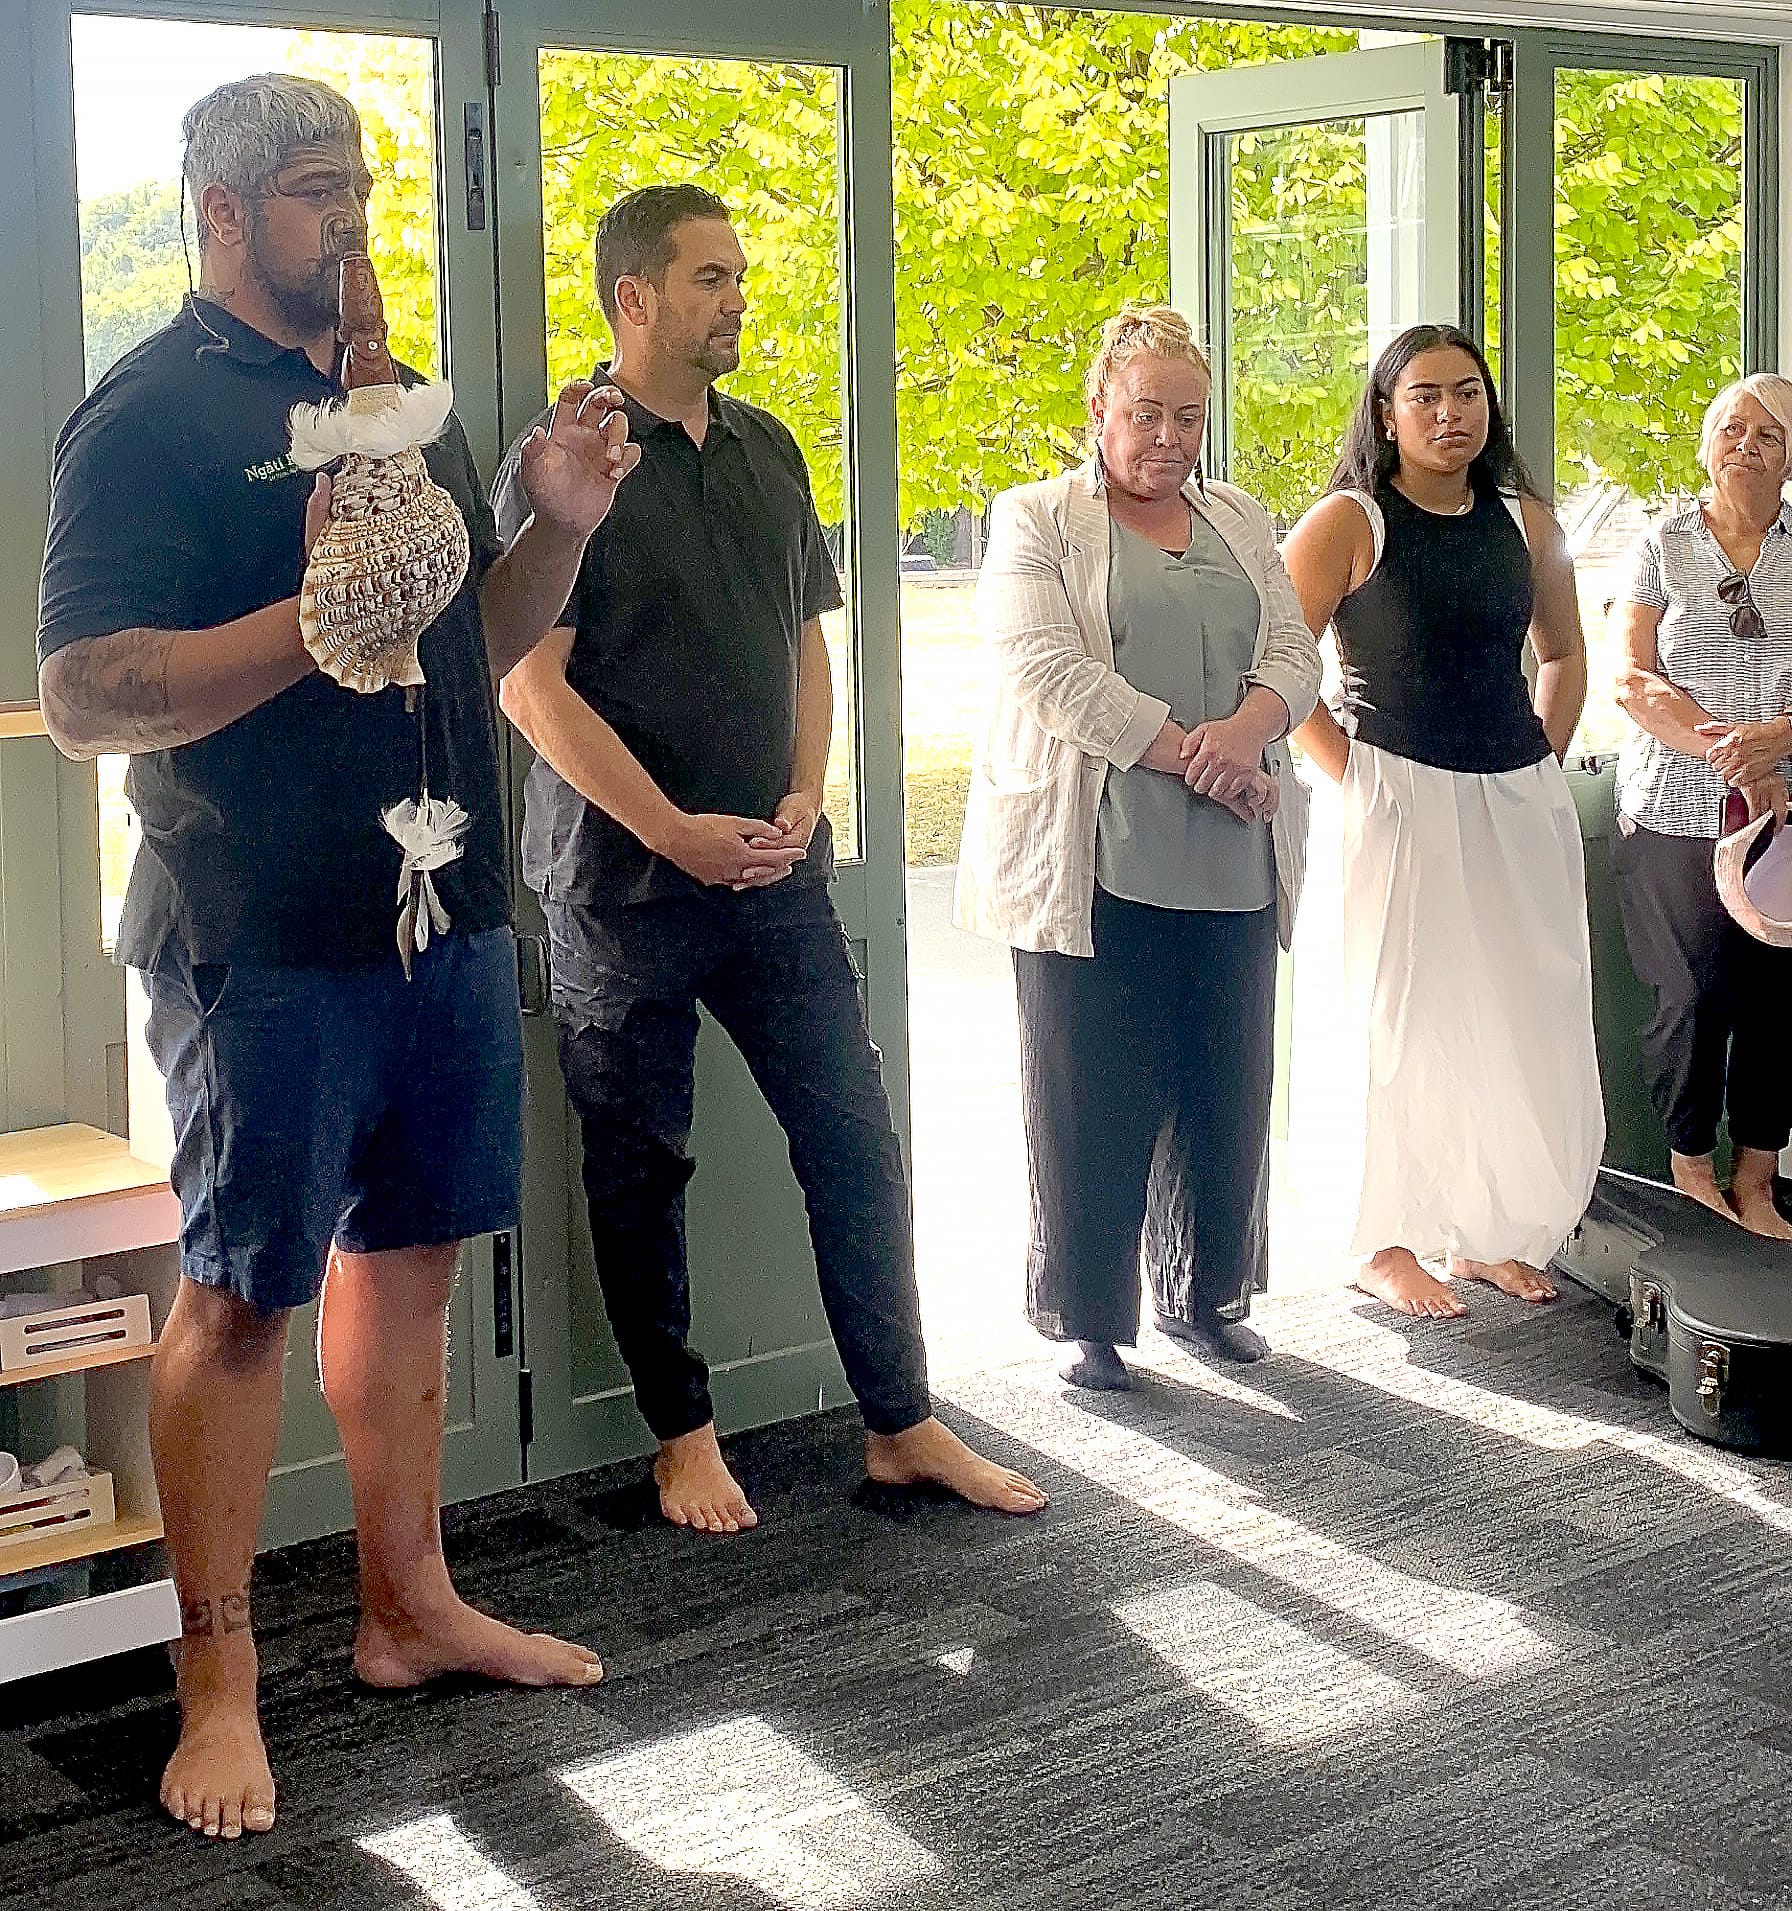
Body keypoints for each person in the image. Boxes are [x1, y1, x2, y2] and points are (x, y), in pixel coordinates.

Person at [36, 75, 641, 1840]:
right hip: (259, 938)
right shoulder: (140, 418)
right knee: (237, 1299)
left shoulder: (399, 406)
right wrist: (306, 634)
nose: (350, 217)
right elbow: (81, 697)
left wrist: (557, 526)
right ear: (221, 213)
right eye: (314, 191)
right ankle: (213, 1682)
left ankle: (407, 1608)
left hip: (443, 921)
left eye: (358, 183)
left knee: (416, 1266)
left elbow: (480, 643)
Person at [493, 184, 1046, 1531]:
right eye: (709, 277)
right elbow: (528, 683)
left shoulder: (769, 448)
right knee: (638, 1164)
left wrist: (806, 791)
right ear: (634, 298)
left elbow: (810, 639)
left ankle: (902, 1421)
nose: (737, 297)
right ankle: (683, 1438)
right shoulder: (558, 463)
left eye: (738, 275)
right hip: (620, 887)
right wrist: (670, 828)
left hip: (777, 875)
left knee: (854, 1139)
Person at [954, 304, 1320, 1391]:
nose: (1168, 437)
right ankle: (1092, 1321)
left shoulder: (1243, 518)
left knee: (1225, 1084)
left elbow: (1295, 650)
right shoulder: (1035, 519)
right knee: (1090, 1094)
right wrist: (1189, 755)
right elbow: (1046, 672)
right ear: (1099, 410)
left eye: (1189, 417)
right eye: (1145, 413)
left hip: (1231, 854)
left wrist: (1247, 733)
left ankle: (1206, 1297)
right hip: (1093, 859)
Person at [1280, 323, 1604, 1319]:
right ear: (1385, 413)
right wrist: (1357, 780)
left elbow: (1562, 657)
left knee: (1513, 1016)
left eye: (1466, 393)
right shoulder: (1346, 520)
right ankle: (1383, 1241)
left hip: (1513, 798)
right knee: (1395, 1020)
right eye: (1423, 396)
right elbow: (1281, 676)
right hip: (1394, 796)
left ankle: (1483, 1235)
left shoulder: (1525, 522)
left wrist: (1535, 769)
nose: (1448, 412)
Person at [1611, 374, 1792, 1239]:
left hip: (1782, 820)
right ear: (1704, 444)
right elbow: (1631, 675)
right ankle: (1689, 1167)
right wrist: (1727, 744)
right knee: (1687, 999)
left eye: (1767, 432)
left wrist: (1777, 740)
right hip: (1672, 810)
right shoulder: (1663, 543)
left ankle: (1757, 1178)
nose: (1746, 445)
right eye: (1730, 427)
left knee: (1777, 1002)